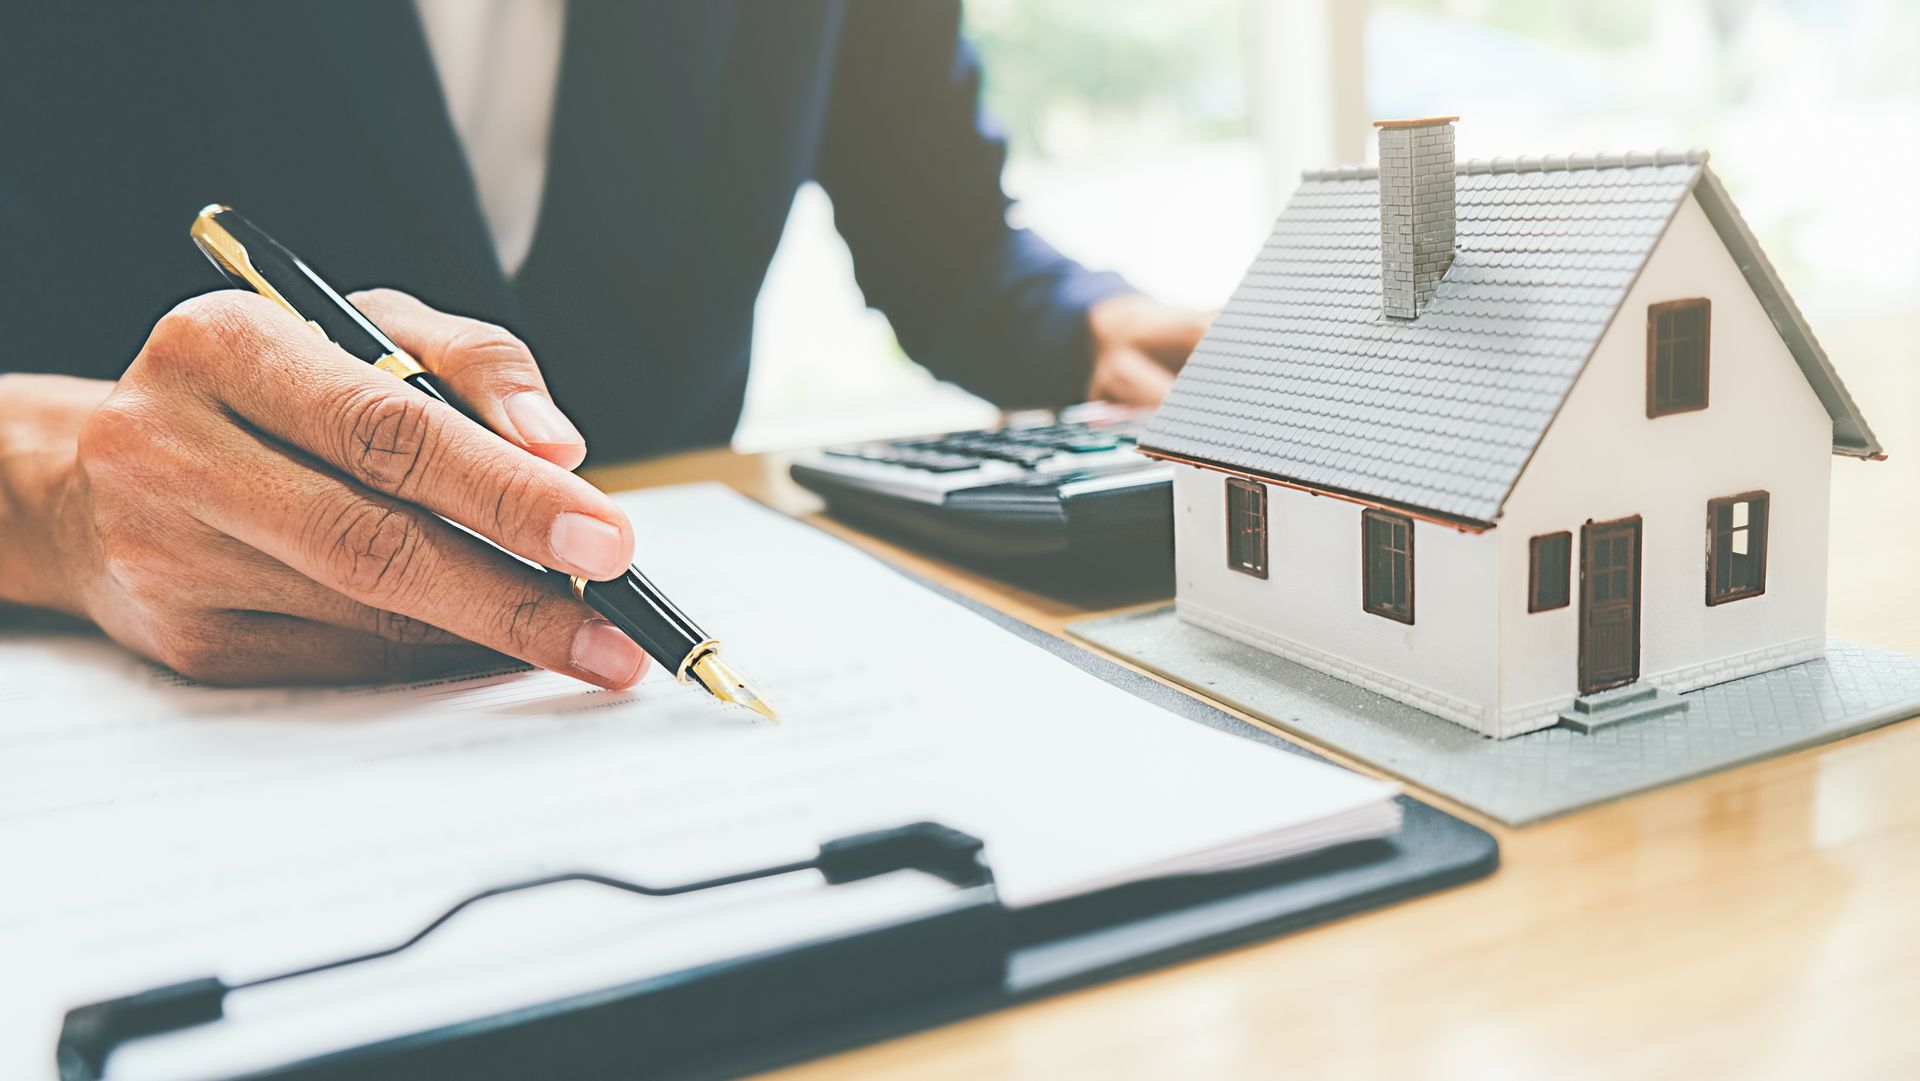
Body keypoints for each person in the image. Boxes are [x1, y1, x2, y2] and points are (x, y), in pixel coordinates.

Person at [0, 1, 1208, 691]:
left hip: (597, 678)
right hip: (127, 696)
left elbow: (953, 253)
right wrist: (56, 494)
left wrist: (1095, 331)